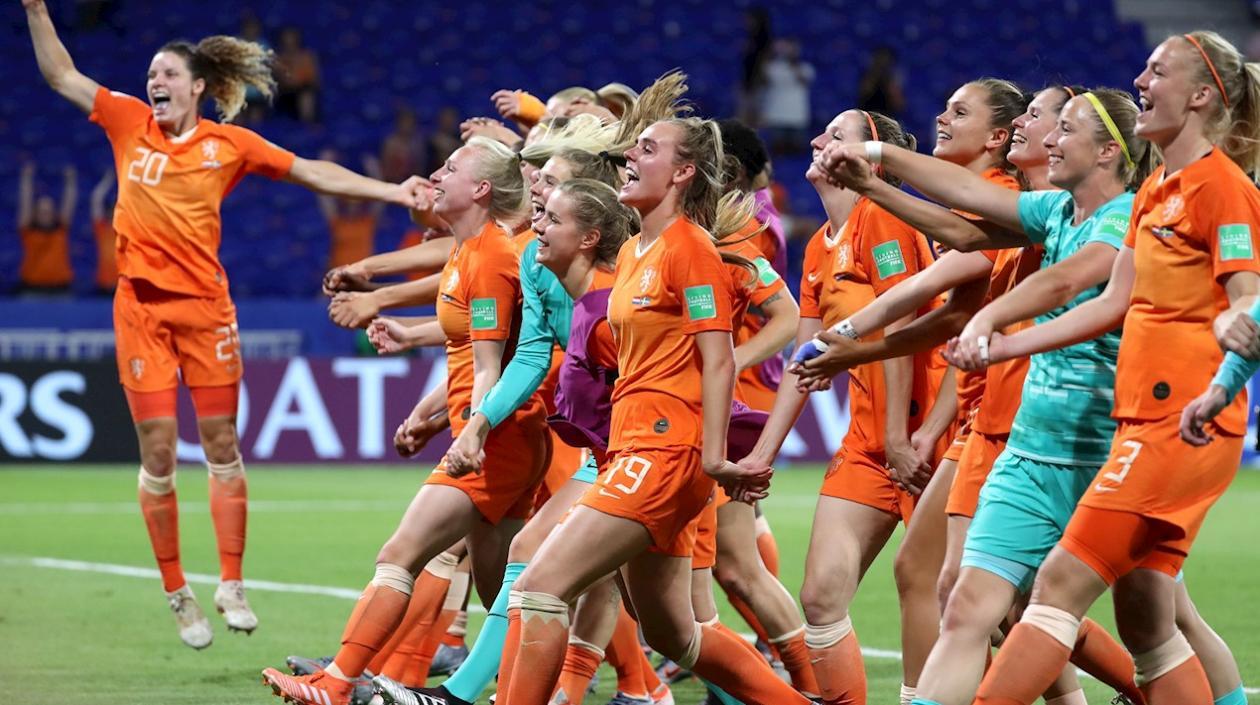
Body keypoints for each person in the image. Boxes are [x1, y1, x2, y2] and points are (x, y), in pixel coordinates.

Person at [21, 0, 424, 649]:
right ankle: (177, 589)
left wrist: (392, 191)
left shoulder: (227, 144)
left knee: (221, 445)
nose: (156, 81)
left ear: (198, 85)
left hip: (207, 311)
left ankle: (231, 582)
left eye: (168, 74)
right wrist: (37, 9)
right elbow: (62, 75)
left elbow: (309, 170)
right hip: (141, 310)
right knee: (157, 452)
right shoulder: (127, 121)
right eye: (151, 73)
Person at [823, 87, 1156, 705]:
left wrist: (986, 333)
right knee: (968, 598)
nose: (1048, 133)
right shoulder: (1052, 209)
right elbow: (962, 211)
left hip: (1102, 444)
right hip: (1023, 439)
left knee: (1154, 621)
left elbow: (1056, 282)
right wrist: (875, 157)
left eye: (1057, 124)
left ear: (1108, 149)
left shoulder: (1122, 217)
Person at [957, 31, 1260, 705]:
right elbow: (1113, 303)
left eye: (1158, 71)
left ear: (1203, 95)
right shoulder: (1156, 190)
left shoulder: (1222, 188)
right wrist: (1006, 344)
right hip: (1143, 421)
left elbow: (1247, 297)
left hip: (1179, 424)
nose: (1141, 80)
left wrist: (1226, 356)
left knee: (1060, 581)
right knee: (1148, 616)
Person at [500, 116, 810, 705]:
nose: (628, 157)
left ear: (683, 172)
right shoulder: (642, 248)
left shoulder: (690, 248)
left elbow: (717, 358)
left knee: (540, 587)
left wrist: (715, 454)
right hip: (638, 446)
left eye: (646, 149)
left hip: (666, 451)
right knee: (672, 633)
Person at [261, 136, 547, 705]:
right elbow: (472, 343)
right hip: (497, 433)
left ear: (481, 190)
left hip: (496, 440)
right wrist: (430, 412)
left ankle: (338, 682)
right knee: (504, 595)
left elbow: (493, 364)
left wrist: (468, 429)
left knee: (401, 553)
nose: (435, 175)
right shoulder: (470, 250)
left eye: (451, 168)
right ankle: (529, 691)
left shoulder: (490, 257)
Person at [738, 107, 944, 705]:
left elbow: (902, 328)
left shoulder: (885, 219)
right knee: (821, 595)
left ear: (866, 155)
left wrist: (903, 440)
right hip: (865, 445)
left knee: (985, 605)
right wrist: (762, 455)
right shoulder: (820, 248)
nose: (815, 140)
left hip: (925, 438)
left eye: (836, 134)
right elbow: (802, 363)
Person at [319, 150, 386, 270]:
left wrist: (375, 171)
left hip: (362, 275)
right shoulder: (338, 221)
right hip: (338, 274)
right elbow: (324, 197)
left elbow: (382, 197)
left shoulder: (367, 221)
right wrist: (325, 164)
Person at [17, 161, 76, 294]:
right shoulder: (28, 231)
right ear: (35, 213)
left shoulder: (61, 229)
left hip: (61, 290)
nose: (45, 214)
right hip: (32, 290)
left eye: (48, 210)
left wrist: (70, 181)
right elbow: (24, 201)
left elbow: (69, 202)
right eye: (42, 211)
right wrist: (26, 178)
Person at [760, 38, 815, 153]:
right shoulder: (772, 67)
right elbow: (762, 80)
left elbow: (803, 80)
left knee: (797, 152)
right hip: (776, 117)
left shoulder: (805, 68)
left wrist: (793, 61)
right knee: (777, 152)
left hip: (797, 117)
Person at [274, 26, 319, 123]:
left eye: (292, 40)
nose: (289, 43)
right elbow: (276, 77)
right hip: (284, 92)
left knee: (306, 96)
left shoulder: (306, 57)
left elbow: (313, 79)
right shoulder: (278, 58)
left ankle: (307, 124)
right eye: (286, 40)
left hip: (301, 90)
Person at [857, 46, 907, 118]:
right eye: (880, 59)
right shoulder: (867, 75)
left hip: (886, 118)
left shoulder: (893, 77)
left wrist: (889, 81)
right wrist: (875, 73)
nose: (882, 63)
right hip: (867, 116)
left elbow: (899, 104)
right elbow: (865, 91)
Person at [90, 167, 118, 295]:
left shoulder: (127, 231)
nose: (112, 214)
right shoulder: (102, 229)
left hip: (123, 285)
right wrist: (107, 181)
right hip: (104, 285)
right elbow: (96, 199)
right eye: (110, 211)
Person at [381, 106, 427, 185]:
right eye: (404, 122)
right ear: (398, 123)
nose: (407, 126)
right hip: (393, 182)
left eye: (410, 122)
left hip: (413, 181)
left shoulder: (417, 143)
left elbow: (420, 167)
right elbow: (386, 167)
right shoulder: (391, 142)